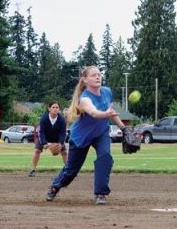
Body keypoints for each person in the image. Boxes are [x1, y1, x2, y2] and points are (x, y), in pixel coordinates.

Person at [45, 65, 125, 205]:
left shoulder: (107, 91)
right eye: (94, 75)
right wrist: (105, 114)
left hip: (101, 133)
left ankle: (100, 193)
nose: (98, 77)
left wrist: (124, 128)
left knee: (105, 158)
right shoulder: (84, 98)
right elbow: (94, 112)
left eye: (99, 74)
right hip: (81, 136)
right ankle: (55, 186)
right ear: (85, 80)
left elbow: (110, 111)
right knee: (71, 170)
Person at [28, 101, 68, 177]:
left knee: (64, 152)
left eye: (57, 107)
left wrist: (60, 143)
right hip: (44, 137)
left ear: (59, 109)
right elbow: (41, 132)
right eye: (53, 107)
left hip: (56, 138)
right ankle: (32, 170)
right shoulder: (44, 118)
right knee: (37, 151)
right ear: (49, 109)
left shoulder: (62, 120)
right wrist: (44, 143)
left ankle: (69, 171)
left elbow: (62, 133)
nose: (55, 109)